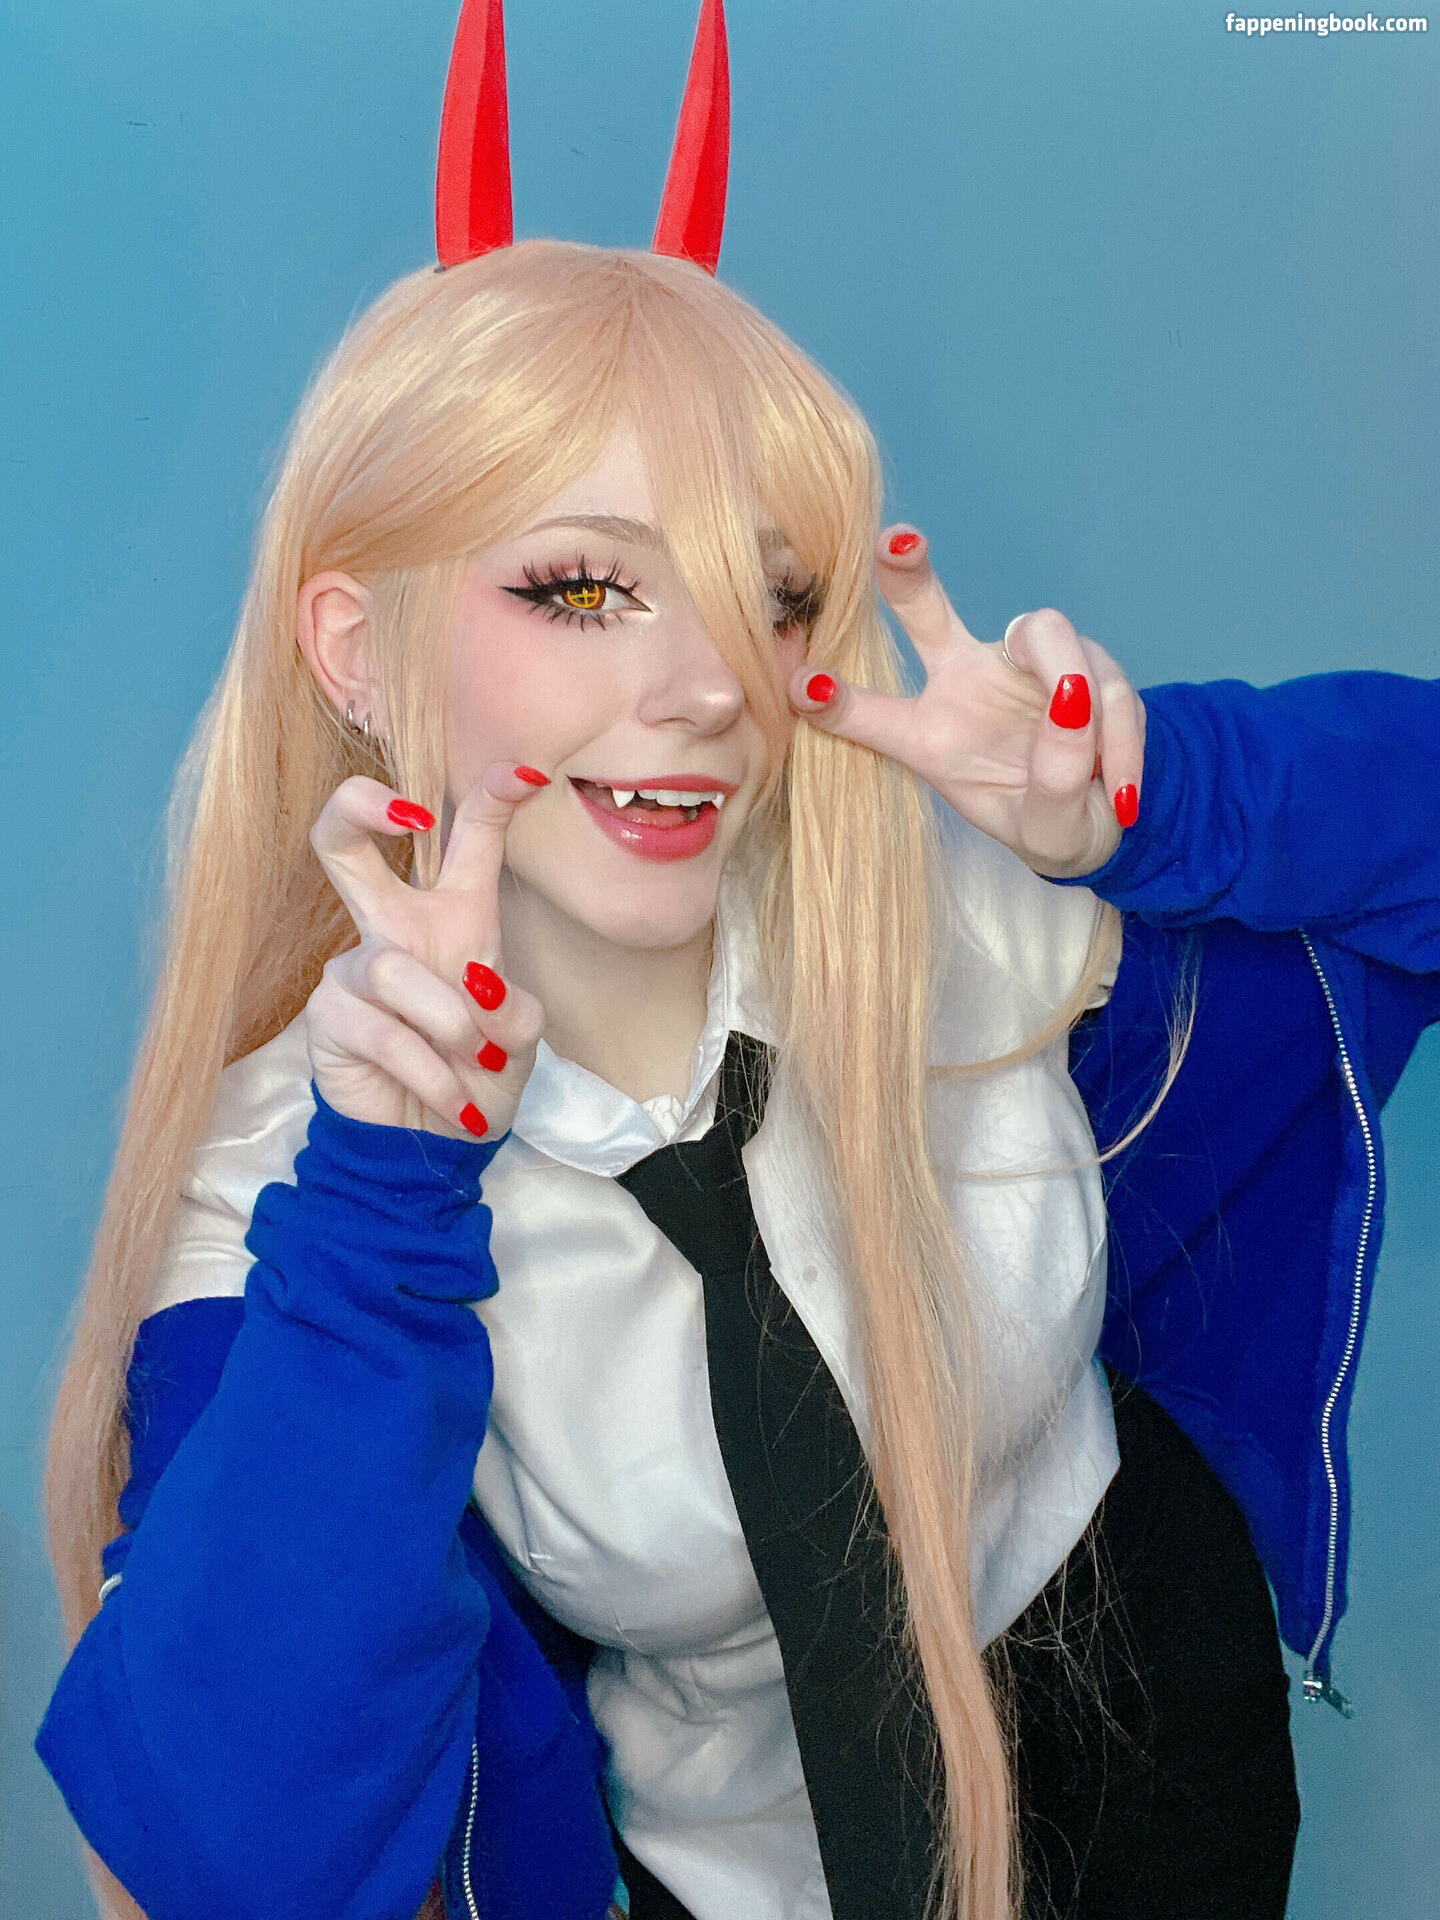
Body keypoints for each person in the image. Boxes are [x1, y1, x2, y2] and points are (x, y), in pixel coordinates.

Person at [33, 6, 1440, 1920]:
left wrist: (1151, 793)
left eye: (766, 594)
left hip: (1148, 1727)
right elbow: (236, 1850)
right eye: (585, 586)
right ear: (356, 650)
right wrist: (387, 1195)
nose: (706, 687)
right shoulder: (300, 1176)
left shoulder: (953, 912)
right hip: (729, 1861)